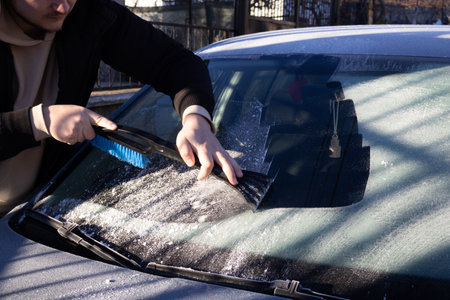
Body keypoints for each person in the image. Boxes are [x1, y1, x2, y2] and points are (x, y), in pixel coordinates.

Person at [0, 0, 242, 215]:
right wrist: (38, 122)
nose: (63, 7)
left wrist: (196, 118)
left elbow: (175, 62)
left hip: (34, 212)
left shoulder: (89, 15)